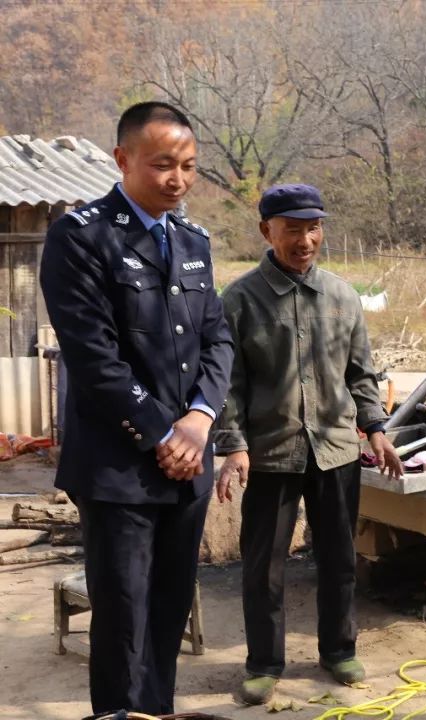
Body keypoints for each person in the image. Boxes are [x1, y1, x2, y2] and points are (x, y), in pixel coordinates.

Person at [39, 101, 234, 717]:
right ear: (123, 159)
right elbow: (93, 356)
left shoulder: (193, 240)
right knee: (124, 619)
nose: (176, 179)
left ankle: (158, 713)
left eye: (188, 166)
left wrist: (200, 420)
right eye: (161, 165)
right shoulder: (82, 236)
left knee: (169, 614)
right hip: (119, 467)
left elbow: (218, 340)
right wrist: (161, 435)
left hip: (188, 463)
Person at [212, 183, 405, 705]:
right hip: (270, 454)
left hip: (336, 450)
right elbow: (226, 384)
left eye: (313, 228)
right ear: (266, 231)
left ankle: (338, 650)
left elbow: (362, 374)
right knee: (264, 565)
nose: (305, 239)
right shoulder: (239, 300)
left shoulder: (342, 296)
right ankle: (264, 662)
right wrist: (233, 446)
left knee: (340, 558)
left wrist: (377, 430)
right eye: (293, 229)